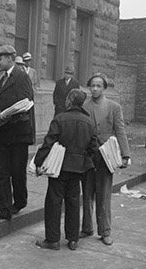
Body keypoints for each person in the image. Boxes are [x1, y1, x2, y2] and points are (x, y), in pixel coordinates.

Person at [34, 88, 100, 251]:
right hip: (78, 168)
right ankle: (73, 239)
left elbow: (48, 143)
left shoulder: (60, 119)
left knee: (54, 201)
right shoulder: (89, 122)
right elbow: (93, 147)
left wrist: (38, 162)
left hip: (59, 167)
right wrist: (83, 158)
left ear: (70, 100)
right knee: (73, 201)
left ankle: (52, 239)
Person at [80, 73, 131, 246]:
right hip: (88, 156)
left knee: (104, 195)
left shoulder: (113, 107)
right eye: (92, 86)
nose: (94, 89)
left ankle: (105, 230)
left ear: (104, 88)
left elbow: (120, 130)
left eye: (98, 86)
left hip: (106, 157)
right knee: (87, 194)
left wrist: (125, 154)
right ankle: (87, 228)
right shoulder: (84, 106)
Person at [0, 45, 36, 222]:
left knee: (17, 171)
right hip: (3, 133)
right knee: (2, 173)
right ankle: (3, 209)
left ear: (10, 58)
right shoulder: (3, 79)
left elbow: (27, 102)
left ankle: (20, 201)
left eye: (0, 58)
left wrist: (5, 115)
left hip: (17, 134)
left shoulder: (21, 76)